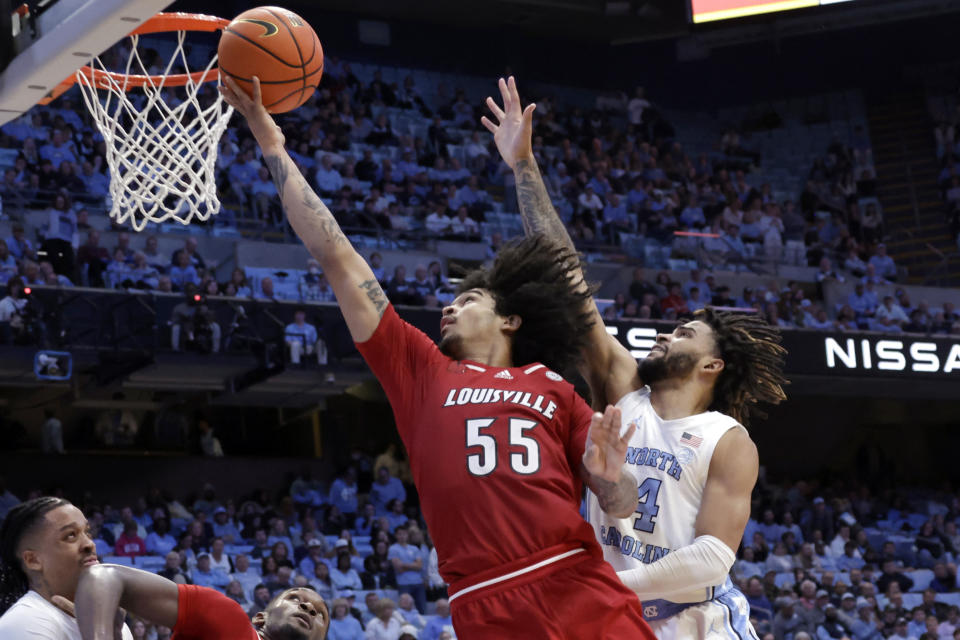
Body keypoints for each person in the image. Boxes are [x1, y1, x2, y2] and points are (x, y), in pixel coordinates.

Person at [220, 75, 651, 639]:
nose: (448, 309)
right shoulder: (421, 370)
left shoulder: (554, 386)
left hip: (576, 581)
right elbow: (339, 259)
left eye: (468, 298)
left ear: (510, 320)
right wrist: (271, 145)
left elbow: (621, 506)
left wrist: (607, 480)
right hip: (484, 601)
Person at [486, 75, 788, 638]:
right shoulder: (623, 387)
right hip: (613, 618)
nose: (667, 332)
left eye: (684, 332)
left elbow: (711, 559)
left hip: (697, 621)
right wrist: (524, 166)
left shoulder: (727, 439)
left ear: (712, 365)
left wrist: (602, 581)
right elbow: (565, 280)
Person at [71, 562, 329, 640]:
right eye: (295, 598)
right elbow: (104, 576)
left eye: (320, 615)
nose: (307, 607)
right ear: (261, 617)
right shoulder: (228, 618)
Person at [0, 497, 134, 638]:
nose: (90, 544)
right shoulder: (24, 623)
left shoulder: (113, 625)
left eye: (87, 532)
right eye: (70, 535)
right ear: (33, 560)